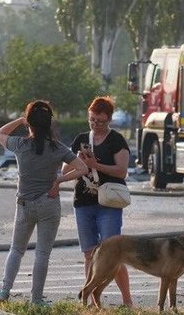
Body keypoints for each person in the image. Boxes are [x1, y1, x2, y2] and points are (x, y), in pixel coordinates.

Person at [0, 100, 89, 304]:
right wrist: (59, 180)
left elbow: (0, 133)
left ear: (30, 123)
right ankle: (36, 299)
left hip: (24, 204)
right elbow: (83, 168)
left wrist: (21, 119)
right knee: (42, 253)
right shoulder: (58, 148)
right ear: (50, 124)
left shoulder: (19, 144)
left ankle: (4, 291)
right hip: (49, 203)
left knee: (16, 249)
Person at [65, 96, 134, 307]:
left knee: (114, 252)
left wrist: (96, 164)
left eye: (101, 121)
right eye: (92, 120)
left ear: (110, 120)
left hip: (109, 202)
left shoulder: (116, 140)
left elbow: (122, 171)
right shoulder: (81, 139)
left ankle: (127, 300)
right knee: (89, 253)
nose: (96, 124)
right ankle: (90, 302)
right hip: (83, 201)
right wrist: (77, 159)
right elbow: (65, 169)